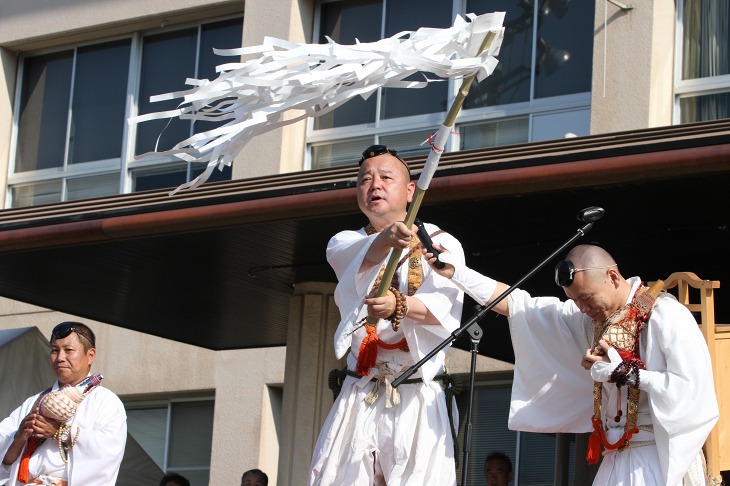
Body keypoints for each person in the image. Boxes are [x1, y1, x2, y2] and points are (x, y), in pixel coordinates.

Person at [424, 243, 719, 485]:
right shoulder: (591, 322)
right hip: (615, 460)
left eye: (587, 298)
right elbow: (519, 305)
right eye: (576, 301)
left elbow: (693, 391)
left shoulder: (665, 315)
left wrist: (627, 373)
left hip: (657, 457)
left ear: (613, 277)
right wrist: (457, 274)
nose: (583, 308)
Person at [308, 145, 465, 485]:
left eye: (385, 178)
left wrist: (401, 307)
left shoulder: (439, 242)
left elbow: (446, 309)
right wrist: (388, 238)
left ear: (410, 191)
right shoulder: (344, 241)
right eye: (365, 179)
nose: (374, 185)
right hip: (361, 387)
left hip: (417, 391)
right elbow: (360, 259)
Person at [0, 321, 127, 486]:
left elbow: (109, 450)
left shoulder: (106, 401)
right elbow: (4, 455)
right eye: (54, 350)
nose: (60, 357)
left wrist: (60, 432)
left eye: (68, 350)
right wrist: (19, 437)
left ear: (90, 355)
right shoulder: (34, 402)